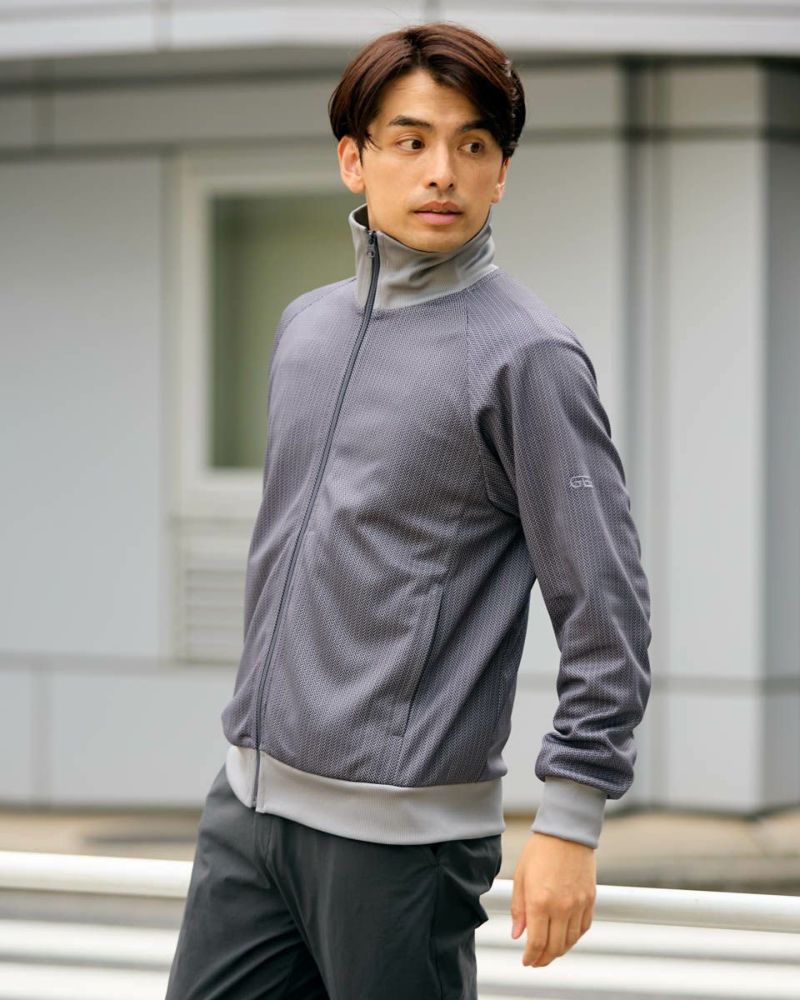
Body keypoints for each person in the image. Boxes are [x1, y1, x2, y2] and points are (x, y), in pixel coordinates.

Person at [165, 19, 652, 1000]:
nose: (443, 172)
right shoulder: (306, 327)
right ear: (354, 159)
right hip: (249, 807)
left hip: (399, 840)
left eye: (473, 145)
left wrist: (570, 817)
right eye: (411, 140)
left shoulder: (527, 358)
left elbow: (605, 606)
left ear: (500, 173)